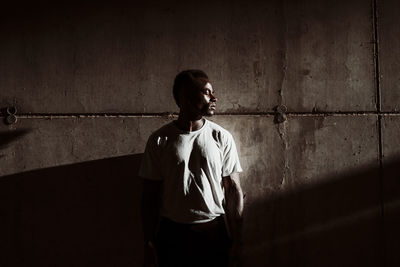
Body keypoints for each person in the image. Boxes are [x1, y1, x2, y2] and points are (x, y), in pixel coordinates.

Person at [140, 70, 244, 267]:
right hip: (172, 233)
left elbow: (233, 191)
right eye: (206, 92)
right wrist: (148, 242)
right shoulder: (160, 140)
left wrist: (238, 240)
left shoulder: (221, 137)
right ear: (185, 97)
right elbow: (149, 196)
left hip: (213, 231)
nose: (214, 97)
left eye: (212, 92)